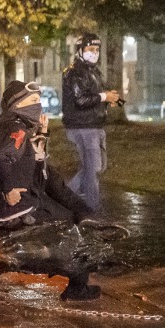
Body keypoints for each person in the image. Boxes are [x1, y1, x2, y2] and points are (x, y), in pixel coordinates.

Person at [0, 80, 99, 300]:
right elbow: (0, 156)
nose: (38, 105)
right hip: (19, 206)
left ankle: (80, 279)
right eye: (33, 101)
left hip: (25, 199)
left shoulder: (14, 124)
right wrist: (9, 189)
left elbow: (33, 163)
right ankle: (78, 287)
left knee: (70, 210)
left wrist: (42, 134)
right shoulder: (15, 127)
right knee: (69, 226)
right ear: (19, 104)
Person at [61, 32, 120, 212]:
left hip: (94, 125)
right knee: (93, 170)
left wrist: (110, 99)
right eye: (90, 49)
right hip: (83, 127)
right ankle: (92, 208)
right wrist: (104, 96)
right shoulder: (75, 72)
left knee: (96, 167)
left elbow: (97, 95)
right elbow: (81, 100)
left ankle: (63, 195)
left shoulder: (93, 71)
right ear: (80, 50)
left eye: (97, 49)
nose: (94, 53)